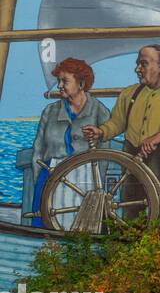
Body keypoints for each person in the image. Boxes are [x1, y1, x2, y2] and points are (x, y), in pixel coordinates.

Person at [83, 44, 160, 226]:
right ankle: (132, 245)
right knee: (130, 206)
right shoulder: (129, 94)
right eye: (138, 63)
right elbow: (117, 123)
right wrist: (101, 131)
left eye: (143, 64)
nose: (137, 69)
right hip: (131, 155)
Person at [29, 58, 111, 228]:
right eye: (59, 81)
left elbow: (105, 152)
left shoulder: (99, 111)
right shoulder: (50, 111)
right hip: (50, 175)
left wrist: (97, 184)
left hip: (85, 178)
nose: (59, 85)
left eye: (64, 81)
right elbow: (38, 149)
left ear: (81, 83)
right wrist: (40, 180)